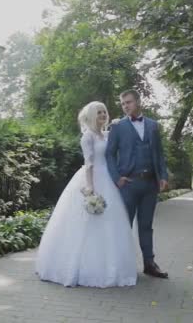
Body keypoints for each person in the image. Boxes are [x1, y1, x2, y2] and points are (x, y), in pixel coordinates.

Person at [35, 101, 137, 288]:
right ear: (91, 116)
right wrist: (90, 188)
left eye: (104, 112)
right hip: (92, 178)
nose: (103, 115)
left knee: (110, 224)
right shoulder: (88, 137)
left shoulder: (106, 135)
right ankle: (76, 268)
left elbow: (119, 136)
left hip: (109, 179)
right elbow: (88, 163)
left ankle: (110, 266)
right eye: (99, 112)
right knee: (84, 224)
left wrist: (116, 122)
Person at [106, 89, 170, 279]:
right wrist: (117, 178)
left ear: (138, 101)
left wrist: (163, 175)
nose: (126, 106)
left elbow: (159, 153)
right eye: (123, 103)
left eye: (129, 102)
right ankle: (120, 265)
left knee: (146, 226)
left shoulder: (153, 125)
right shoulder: (117, 127)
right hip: (128, 184)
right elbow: (109, 153)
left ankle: (150, 264)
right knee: (123, 225)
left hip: (150, 184)